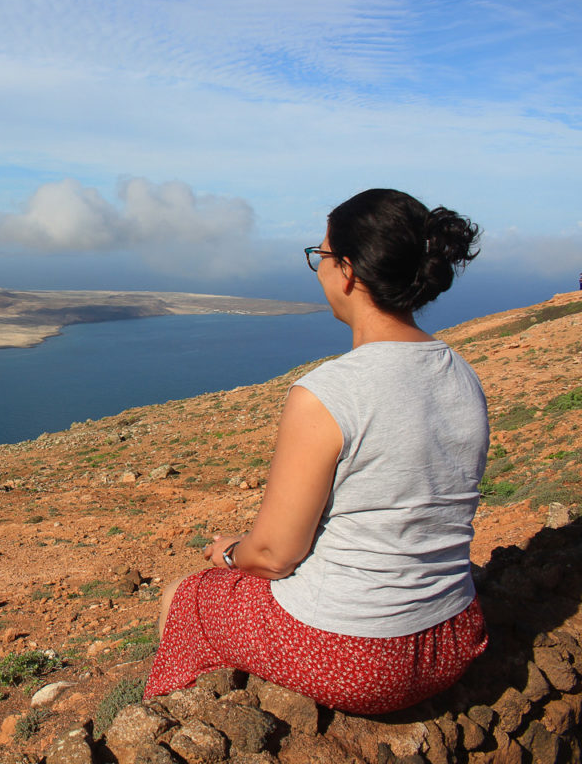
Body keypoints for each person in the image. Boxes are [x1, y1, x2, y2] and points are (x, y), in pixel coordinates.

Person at [146, 188, 488, 714]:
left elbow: (276, 556)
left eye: (322, 256)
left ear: (348, 271)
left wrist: (232, 554)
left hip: (365, 656)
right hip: (453, 637)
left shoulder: (329, 393)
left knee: (187, 598)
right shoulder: (461, 375)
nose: (320, 268)